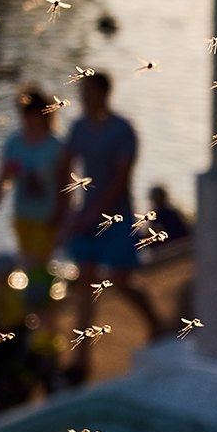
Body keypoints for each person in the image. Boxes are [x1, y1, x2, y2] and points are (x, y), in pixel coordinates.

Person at [58, 72, 162, 384]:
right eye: (82, 92)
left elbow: (121, 179)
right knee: (85, 284)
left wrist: (94, 213)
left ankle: (156, 322)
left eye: (90, 92)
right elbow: (65, 164)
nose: (85, 98)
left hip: (115, 218)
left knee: (119, 280)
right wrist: (68, 208)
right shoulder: (78, 128)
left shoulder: (122, 130)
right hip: (86, 217)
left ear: (105, 93)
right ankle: (81, 360)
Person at [0, 86, 62, 308]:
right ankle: (39, 318)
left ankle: (42, 316)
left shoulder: (55, 146)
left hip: (48, 220)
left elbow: (66, 188)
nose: (28, 118)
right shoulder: (14, 144)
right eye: (24, 113)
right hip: (23, 218)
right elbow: (1, 183)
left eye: (32, 113)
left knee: (38, 269)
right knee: (32, 269)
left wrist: (63, 220)